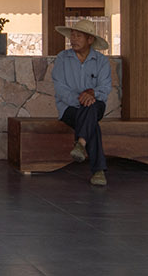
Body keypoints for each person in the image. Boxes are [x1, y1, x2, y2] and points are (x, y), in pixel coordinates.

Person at [51, 22, 113, 187]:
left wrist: (92, 94)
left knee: (91, 108)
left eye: (78, 36)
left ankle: (81, 144)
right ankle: (98, 171)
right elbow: (60, 88)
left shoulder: (101, 61)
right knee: (91, 120)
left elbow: (105, 88)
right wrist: (81, 99)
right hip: (69, 108)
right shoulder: (62, 58)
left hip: (95, 105)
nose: (73, 39)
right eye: (72, 35)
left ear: (90, 39)